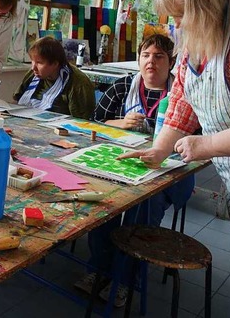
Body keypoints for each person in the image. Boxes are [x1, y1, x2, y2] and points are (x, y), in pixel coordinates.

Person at [118, 0, 230, 317]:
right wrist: (160, 149)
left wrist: (203, 145)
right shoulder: (203, 31)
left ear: (204, 5)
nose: (178, 27)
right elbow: (182, 98)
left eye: (181, 17)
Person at [76, 34, 195, 307]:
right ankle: (99, 270)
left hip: (167, 174)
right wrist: (119, 123)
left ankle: (127, 281)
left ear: (172, 62)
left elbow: (195, 139)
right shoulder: (122, 87)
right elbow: (93, 123)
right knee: (103, 200)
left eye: (159, 56)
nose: (151, 61)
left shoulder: (184, 92)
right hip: (123, 164)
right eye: (146, 55)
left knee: (143, 208)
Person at [12, 36, 95, 119]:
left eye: (39, 63)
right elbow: (17, 101)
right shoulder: (34, 74)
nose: (33, 67)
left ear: (55, 64)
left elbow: (82, 122)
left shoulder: (78, 83)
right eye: (32, 61)